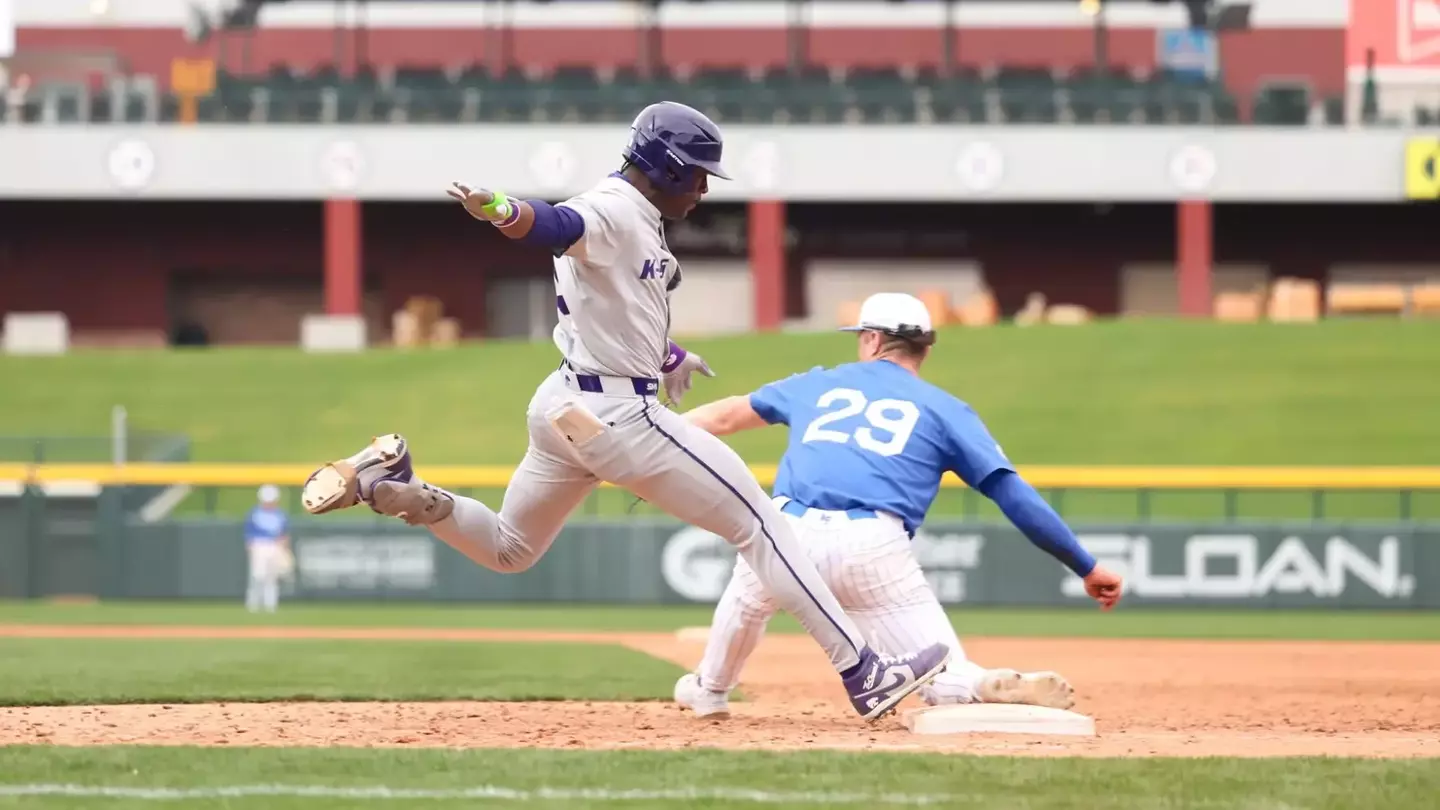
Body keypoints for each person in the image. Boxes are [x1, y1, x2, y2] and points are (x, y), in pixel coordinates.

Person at [299, 102, 949, 722]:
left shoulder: (638, 219)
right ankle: (863, 671)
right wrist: (500, 209)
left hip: (563, 405)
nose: (702, 189)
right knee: (764, 523)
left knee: (510, 548)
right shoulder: (613, 206)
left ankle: (397, 490)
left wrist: (669, 358)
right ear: (665, 167)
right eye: (696, 174)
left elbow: (612, 307)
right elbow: (555, 225)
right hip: (618, 415)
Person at [671, 292, 1124, 718]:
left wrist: (645, 439)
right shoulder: (946, 410)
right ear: (923, 350)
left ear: (871, 339)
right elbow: (1013, 495)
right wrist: (1085, 566)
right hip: (873, 544)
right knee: (935, 673)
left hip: (788, 530)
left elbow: (723, 417)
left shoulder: (819, 384)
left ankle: (710, 690)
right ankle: (980, 683)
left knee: (750, 598)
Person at [243, 484, 291, 613]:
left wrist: (284, 547)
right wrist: (250, 545)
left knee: (272, 577)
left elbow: (284, 533)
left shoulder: (280, 514)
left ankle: (270, 605)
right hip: (259, 544)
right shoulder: (255, 513)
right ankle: (253, 604)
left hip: (275, 545)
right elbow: (249, 533)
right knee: (257, 576)